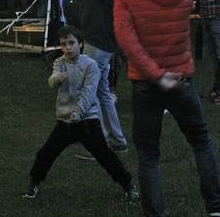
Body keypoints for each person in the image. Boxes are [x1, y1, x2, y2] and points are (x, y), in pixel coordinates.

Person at [115, 0, 220, 217]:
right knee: (201, 143)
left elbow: (128, 42)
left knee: (149, 154)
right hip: (181, 80)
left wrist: (154, 73)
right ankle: (216, 212)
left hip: (146, 85)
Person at [23, 24, 137, 203]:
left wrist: (78, 113)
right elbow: (51, 81)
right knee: (46, 153)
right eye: (63, 44)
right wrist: (56, 79)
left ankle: (129, 185)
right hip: (65, 121)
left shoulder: (90, 65)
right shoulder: (60, 62)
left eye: (71, 43)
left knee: (104, 155)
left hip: (87, 122)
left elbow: (89, 92)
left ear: (80, 44)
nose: (67, 47)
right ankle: (34, 183)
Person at [71, 0, 138, 153]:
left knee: (89, 91)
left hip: (99, 42)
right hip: (101, 41)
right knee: (102, 92)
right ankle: (116, 141)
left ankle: (100, 143)